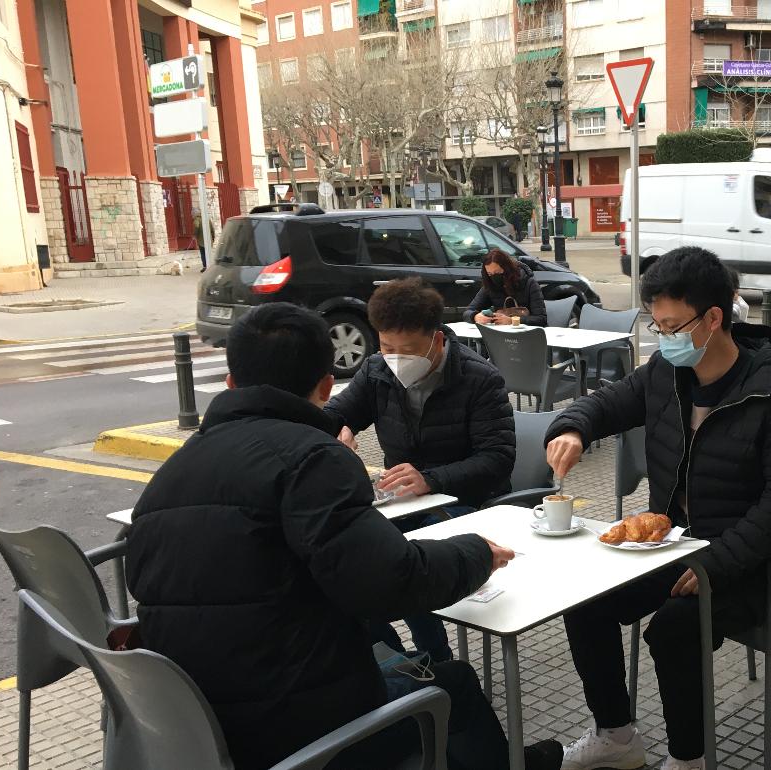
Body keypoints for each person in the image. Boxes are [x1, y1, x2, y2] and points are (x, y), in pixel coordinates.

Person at [125, 302, 560, 770]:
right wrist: (475, 553)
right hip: (293, 729)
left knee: (382, 643)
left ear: (231, 384)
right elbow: (392, 582)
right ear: (327, 384)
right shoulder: (312, 460)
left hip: (187, 722)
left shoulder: (172, 470)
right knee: (453, 684)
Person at [544, 247, 771, 770]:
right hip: (673, 545)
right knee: (584, 602)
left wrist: (715, 562)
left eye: (672, 325)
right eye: (656, 322)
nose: (661, 335)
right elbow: (607, 401)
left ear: (714, 318)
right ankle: (617, 736)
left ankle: (689, 760)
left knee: (673, 626)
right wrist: (572, 427)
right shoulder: (665, 375)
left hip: (750, 559)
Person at [326, 277, 514, 662]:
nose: (396, 359)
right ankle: (394, 659)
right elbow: (337, 413)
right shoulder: (377, 371)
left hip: (467, 502)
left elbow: (496, 460)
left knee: (406, 561)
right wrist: (335, 431)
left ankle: (435, 658)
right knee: (347, 559)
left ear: (437, 340)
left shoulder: (479, 380)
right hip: (400, 503)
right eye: (387, 347)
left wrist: (430, 479)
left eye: (408, 350)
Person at [463, 248, 548, 326]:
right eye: (490, 274)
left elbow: (541, 319)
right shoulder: (490, 286)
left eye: (497, 272)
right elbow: (467, 312)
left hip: (527, 336)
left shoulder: (529, 283)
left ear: (507, 269)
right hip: (501, 336)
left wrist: (512, 320)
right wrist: (475, 316)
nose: (494, 277)